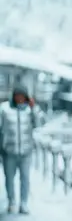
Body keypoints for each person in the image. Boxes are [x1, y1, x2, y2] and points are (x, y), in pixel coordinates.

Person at [0, 85, 44, 214]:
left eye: (22, 96)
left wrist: (34, 108)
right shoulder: (4, 109)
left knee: (25, 178)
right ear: (13, 97)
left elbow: (39, 124)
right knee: (9, 178)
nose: (20, 98)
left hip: (26, 151)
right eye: (17, 96)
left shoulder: (30, 110)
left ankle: (24, 203)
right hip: (9, 151)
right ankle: (11, 201)